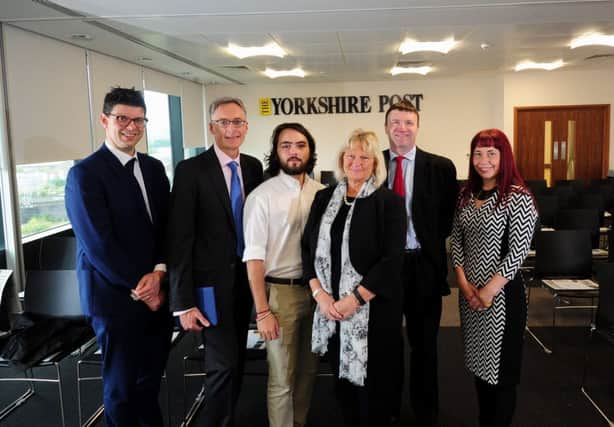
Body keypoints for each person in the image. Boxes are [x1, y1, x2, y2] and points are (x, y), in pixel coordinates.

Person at [65, 87, 172, 426]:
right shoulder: (85, 174)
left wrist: (158, 275)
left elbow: (167, 227)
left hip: (157, 291)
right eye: (122, 118)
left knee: (150, 383)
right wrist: (142, 287)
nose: (131, 126)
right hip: (114, 298)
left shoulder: (154, 169)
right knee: (121, 390)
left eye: (138, 120)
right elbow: (98, 243)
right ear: (104, 120)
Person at [167, 97, 263, 427]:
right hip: (208, 286)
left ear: (247, 127)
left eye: (238, 122)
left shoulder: (253, 167)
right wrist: (182, 302)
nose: (231, 129)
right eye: (224, 122)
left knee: (235, 359)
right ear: (211, 127)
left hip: (245, 284)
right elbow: (179, 240)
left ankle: (229, 416)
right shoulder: (191, 171)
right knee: (221, 364)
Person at [302, 129, 406, 427]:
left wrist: (356, 298)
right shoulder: (323, 198)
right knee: (342, 385)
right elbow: (307, 248)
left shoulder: (389, 202)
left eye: (365, 156)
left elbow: (392, 259)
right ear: (341, 159)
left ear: (375, 164)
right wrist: (320, 295)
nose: (356, 162)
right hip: (330, 308)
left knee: (376, 388)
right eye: (351, 155)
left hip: (374, 310)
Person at [451, 129, 537, 427]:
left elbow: (518, 251)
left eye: (491, 153)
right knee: (479, 369)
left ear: (504, 157)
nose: (483, 160)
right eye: (477, 153)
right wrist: (462, 282)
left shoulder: (517, 196)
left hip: (501, 299)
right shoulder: (465, 194)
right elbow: (457, 240)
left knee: (501, 375)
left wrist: (487, 291)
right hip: (469, 297)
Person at [243, 122, 324, 427]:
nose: (293, 152)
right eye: (286, 145)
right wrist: (262, 311)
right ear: (275, 152)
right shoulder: (261, 197)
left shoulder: (322, 193)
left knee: (308, 371)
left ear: (310, 150)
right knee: (282, 376)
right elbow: (253, 260)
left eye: (300, 145)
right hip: (280, 295)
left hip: (317, 295)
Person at [383, 100, 458, 425]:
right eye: (395, 122)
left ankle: (426, 412)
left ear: (418, 126)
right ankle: (388, 408)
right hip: (384, 270)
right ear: (386, 127)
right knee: (387, 344)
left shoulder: (441, 167)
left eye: (408, 122)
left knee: (424, 345)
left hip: (423, 267)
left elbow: (445, 219)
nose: (402, 128)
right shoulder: (373, 164)